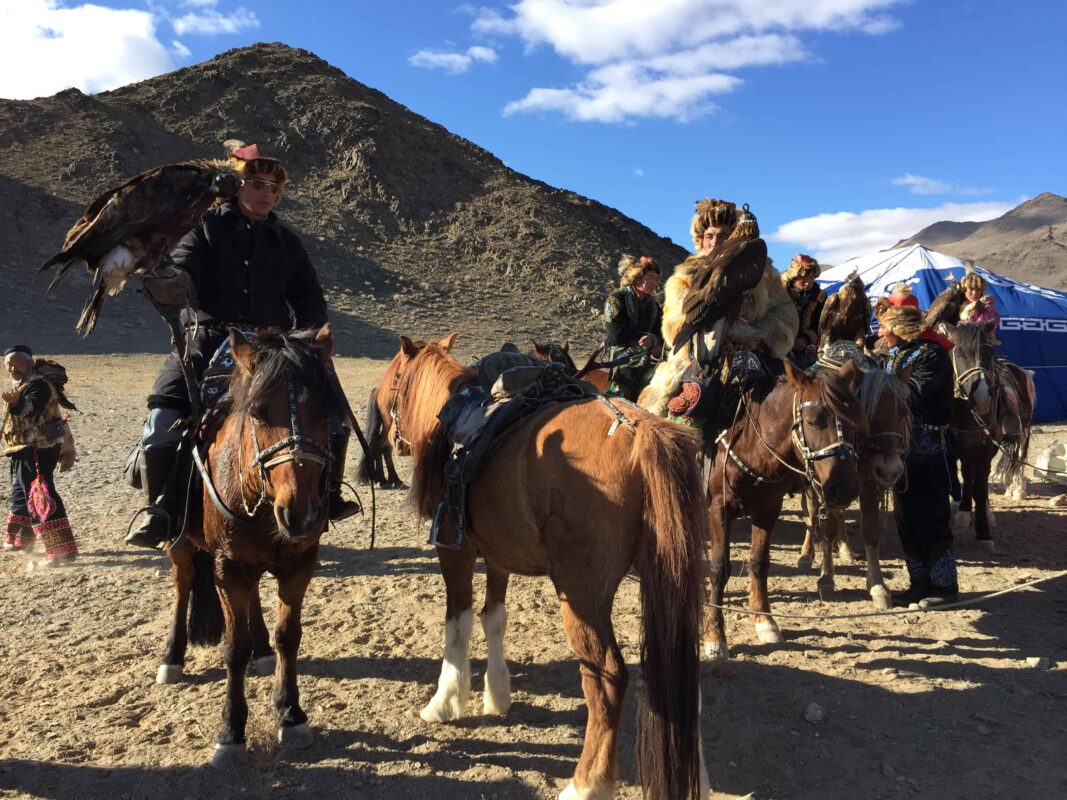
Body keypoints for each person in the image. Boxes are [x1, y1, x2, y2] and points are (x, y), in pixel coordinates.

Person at [126, 141, 359, 549]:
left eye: (274, 187)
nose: (267, 193)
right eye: (257, 183)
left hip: (274, 346)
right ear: (237, 185)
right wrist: (173, 283)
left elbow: (308, 297)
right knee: (163, 417)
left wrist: (311, 339)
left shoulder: (287, 240)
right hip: (209, 338)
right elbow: (183, 271)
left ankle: (329, 495)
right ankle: (158, 509)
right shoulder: (203, 227)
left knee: (332, 417)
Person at [879, 305, 958, 607]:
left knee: (931, 517)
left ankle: (945, 587)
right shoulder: (896, 355)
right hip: (901, 449)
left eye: (884, 327)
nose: (880, 333)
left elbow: (909, 395)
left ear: (899, 328)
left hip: (929, 449)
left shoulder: (930, 355)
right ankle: (919, 583)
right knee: (905, 518)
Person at [2, 345, 78, 565]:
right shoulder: (23, 384)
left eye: (16, 363)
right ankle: (21, 541)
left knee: (40, 496)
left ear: (30, 363)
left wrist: (17, 403)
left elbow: (32, 410)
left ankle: (61, 551)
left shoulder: (38, 386)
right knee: (20, 492)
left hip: (37, 449)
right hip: (20, 449)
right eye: (8, 363)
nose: (11, 367)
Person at [603, 255, 663, 401]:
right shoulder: (617, 298)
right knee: (624, 393)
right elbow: (615, 335)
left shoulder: (654, 306)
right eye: (650, 277)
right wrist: (641, 339)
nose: (654, 283)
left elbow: (659, 332)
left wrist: (654, 341)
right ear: (638, 277)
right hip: (623, 360)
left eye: (656, 279)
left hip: (648, 359)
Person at [782, 253, 826, 368]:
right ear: (794, 277)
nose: (808, 282)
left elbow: (821, 325)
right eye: (803, 278)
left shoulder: (820, 297)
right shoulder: (780, 291)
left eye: (811, 278)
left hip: (807, 350)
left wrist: (805, 339)